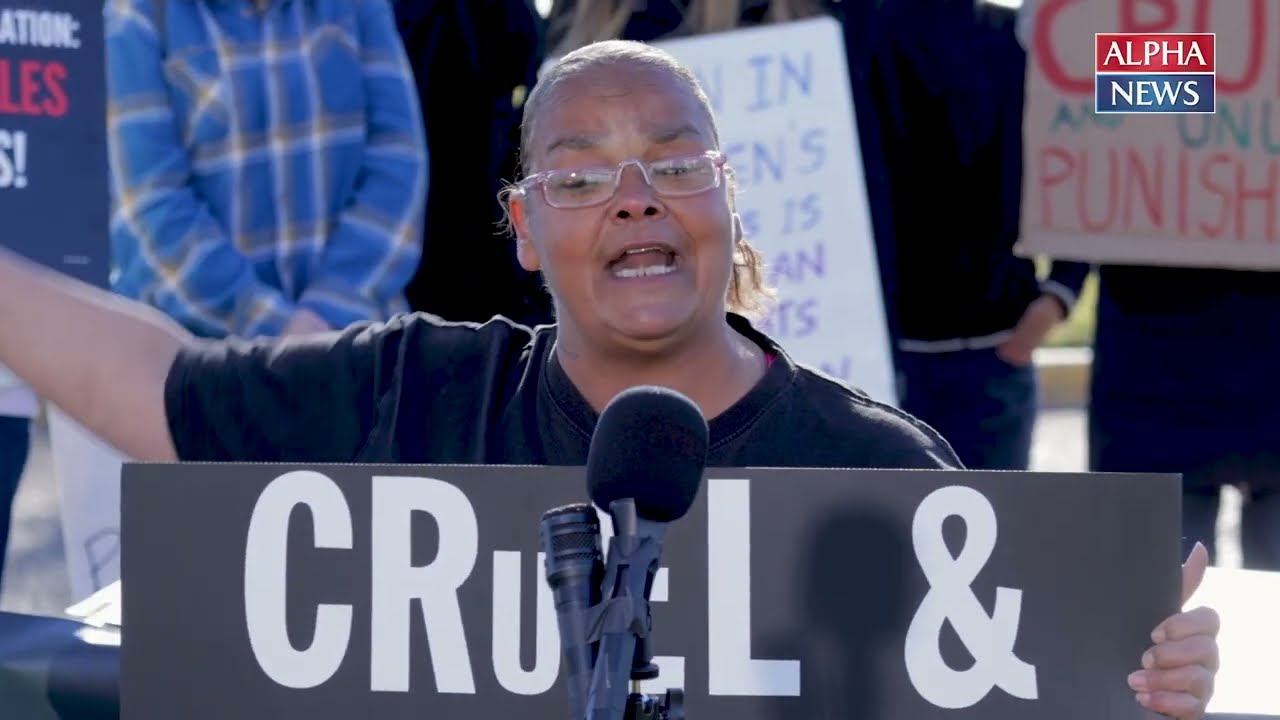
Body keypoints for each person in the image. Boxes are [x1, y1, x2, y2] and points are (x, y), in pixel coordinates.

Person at [0, 40, 1219, 717]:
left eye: (672, 164)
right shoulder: (414, 391)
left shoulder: (887, 475)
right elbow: (151, 380)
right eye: (579, 177)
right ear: (524, 232)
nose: (632, 195)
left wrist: (1138, 683)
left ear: (729, 200)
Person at [105, 0, 428, 339]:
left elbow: (400, 161)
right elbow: (149, 204)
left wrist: (330, 310)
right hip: (201, 360)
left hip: (357, 345)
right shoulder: (136, 16)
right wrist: (272, 326)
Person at [868, 0, 1091, 471]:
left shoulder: (1021, 39)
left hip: (996, 351)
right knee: (882, 539)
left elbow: (1104, 144)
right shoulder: (851, 33)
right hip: (877, 363)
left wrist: (1060, 294)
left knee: (996, 536)